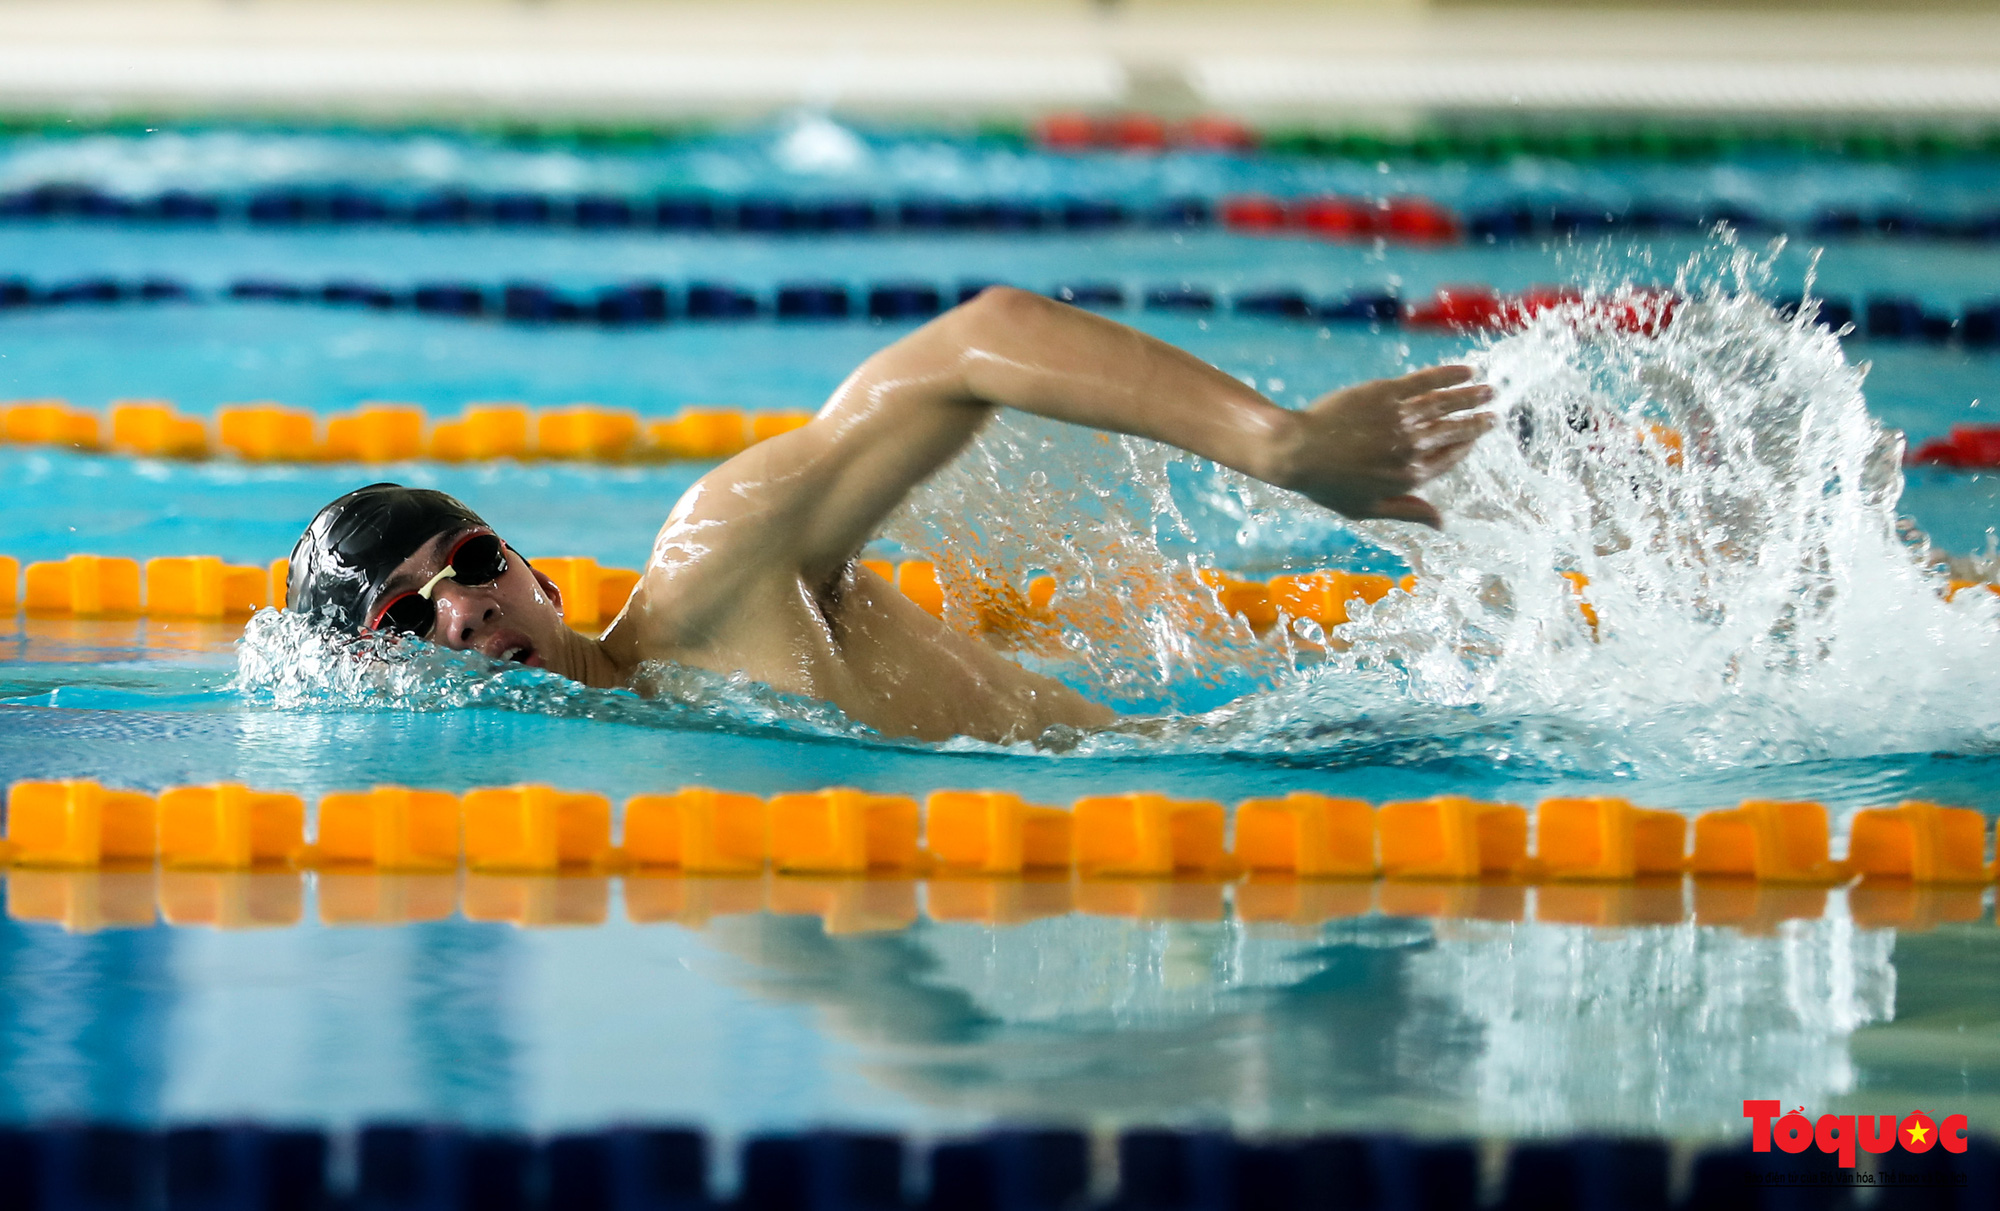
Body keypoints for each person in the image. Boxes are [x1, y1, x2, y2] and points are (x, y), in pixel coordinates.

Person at [286, 287, 1493, 743]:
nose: (462, 609)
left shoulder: (717, 569)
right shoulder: (665, 771)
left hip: (1257, 757)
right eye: (404, 617)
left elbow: (976, 338)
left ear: (534, 574)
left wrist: (1277, 446)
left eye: (474, 560)